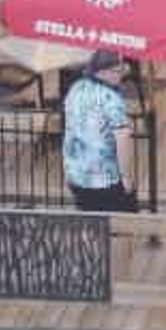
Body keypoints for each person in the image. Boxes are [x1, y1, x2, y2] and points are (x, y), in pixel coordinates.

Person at [63, 49, 139, 212]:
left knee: (91, 225)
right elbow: (123, 136)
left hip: (76, 175)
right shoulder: (110, 99)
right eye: (117, 71)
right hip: (105, 179)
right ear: (103, 72)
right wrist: (126, 177)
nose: (121, 75)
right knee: (123, 225)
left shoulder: (75, 88)